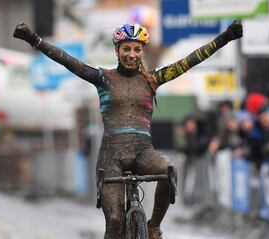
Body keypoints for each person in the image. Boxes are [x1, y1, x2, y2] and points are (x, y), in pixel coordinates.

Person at [13, 21, 243, 239]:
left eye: (136, 49)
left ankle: (153, 227)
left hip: (143, 152)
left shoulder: (152, 79)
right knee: (114, 222)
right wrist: (33, 39)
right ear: (117, 51)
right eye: (126, 49)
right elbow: (67, 60)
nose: (131, 54)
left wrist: (225, 37)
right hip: (111, 156)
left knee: (167, 169)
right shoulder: (103, 78)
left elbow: (190, 60)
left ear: (142, 51)